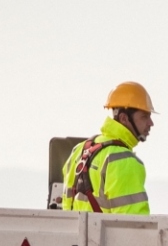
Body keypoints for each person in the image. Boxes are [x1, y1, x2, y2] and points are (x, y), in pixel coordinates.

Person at [59, 83, 155, 214]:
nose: (151, 123)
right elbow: (134, 226)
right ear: (124, 118)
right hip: (103, 235)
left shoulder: (79, 150)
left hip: (77, 234)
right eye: (144, 116)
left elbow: (67, 206)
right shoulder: (125, 161)